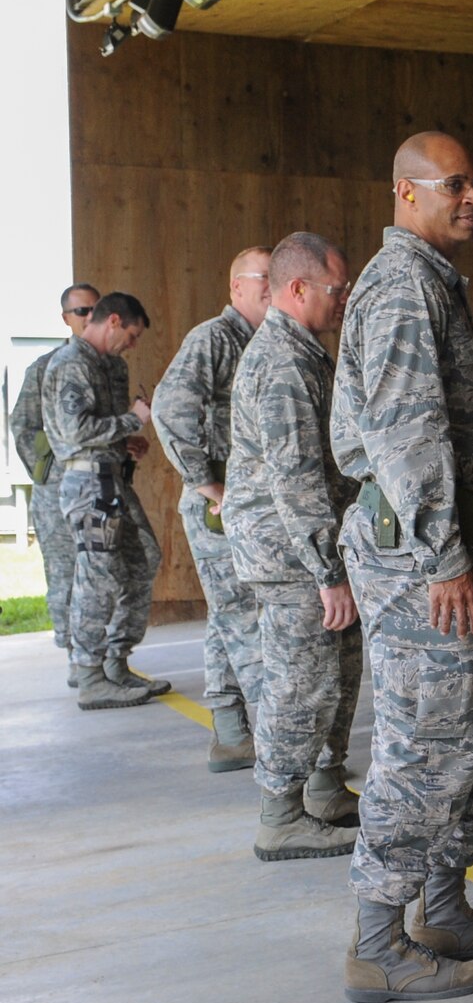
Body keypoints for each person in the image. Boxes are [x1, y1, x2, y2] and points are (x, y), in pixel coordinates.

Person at [331, 131, 473, 1003]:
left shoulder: (428, 280)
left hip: (437, 553)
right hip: (422, 560)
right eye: (457, 185)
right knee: (424, 747)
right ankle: (377, 944)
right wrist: (446, 554)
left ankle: (442, 906)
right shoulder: (405, 286)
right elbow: (407, 434)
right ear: (406, 193)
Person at [224, 233, 364, 862]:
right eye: (337, 290)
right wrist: (327, 570)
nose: (344, 300)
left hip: (306, 549)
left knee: (336, 672)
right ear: (298, 289)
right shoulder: (282, 362)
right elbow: (296, 475)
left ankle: (324, 789)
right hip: (290, 556)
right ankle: (279, 813)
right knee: (302, 681)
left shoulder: (303, 351)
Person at [153, 247, 270, 771]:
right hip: (220, 508)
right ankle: (277, 743)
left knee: (230, 614)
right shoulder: (214, 338)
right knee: (247, 617)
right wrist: (209, 486)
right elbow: (169, 408)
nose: (272, 286)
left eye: (278, 277)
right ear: (236, 287)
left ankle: (228, 731)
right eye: (261, 278)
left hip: (245, 503)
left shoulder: (264, 341)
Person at [43, 291, 164, 711]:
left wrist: (125, 440)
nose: (131, 345)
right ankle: (90, 674)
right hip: (90, 488)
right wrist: (134, 418)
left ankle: (115, 663)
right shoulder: (73, 363)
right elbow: (76, 433)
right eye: (130, 336)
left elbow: (97, 427)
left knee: (140, 561)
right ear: (112, 321)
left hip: (109, 482)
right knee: (98, 579)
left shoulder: (105, 365)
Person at [10, 284, 101, 684]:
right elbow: (23, 424)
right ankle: (73, 655)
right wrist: (46, 469)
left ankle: (100, 656)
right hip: (57, 490)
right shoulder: (45, 367)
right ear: (65, 318)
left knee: (101, 573)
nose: (88, 317)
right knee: (65, 573)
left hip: (100, 487)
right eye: (81, 311)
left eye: (95, 310)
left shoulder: (109, 365)